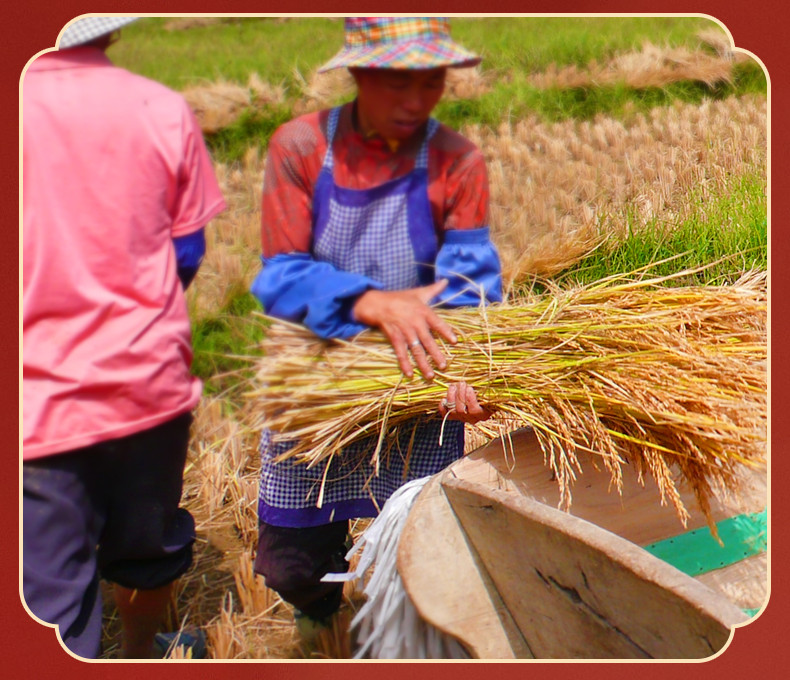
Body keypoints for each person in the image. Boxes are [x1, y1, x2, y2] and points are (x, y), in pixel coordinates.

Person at [250, 17, 502, 639]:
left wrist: (473, 368)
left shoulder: (456, 162)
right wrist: (373, 302)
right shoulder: (301, 148)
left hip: (418, 374)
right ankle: (318, 611)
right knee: (292, 563)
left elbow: (468, 283)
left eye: (431, 83)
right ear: (358, 73)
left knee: (424, 545)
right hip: (320, 377)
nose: (416, 102)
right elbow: (281, 275)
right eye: (396, 84)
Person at [22, 17, 226, 658]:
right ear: (109, 31)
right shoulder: (161, 107)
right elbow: (186, 252)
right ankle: (144, 650)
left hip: (39, 399)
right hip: (149, 383)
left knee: (52, 580)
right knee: (148, 543)